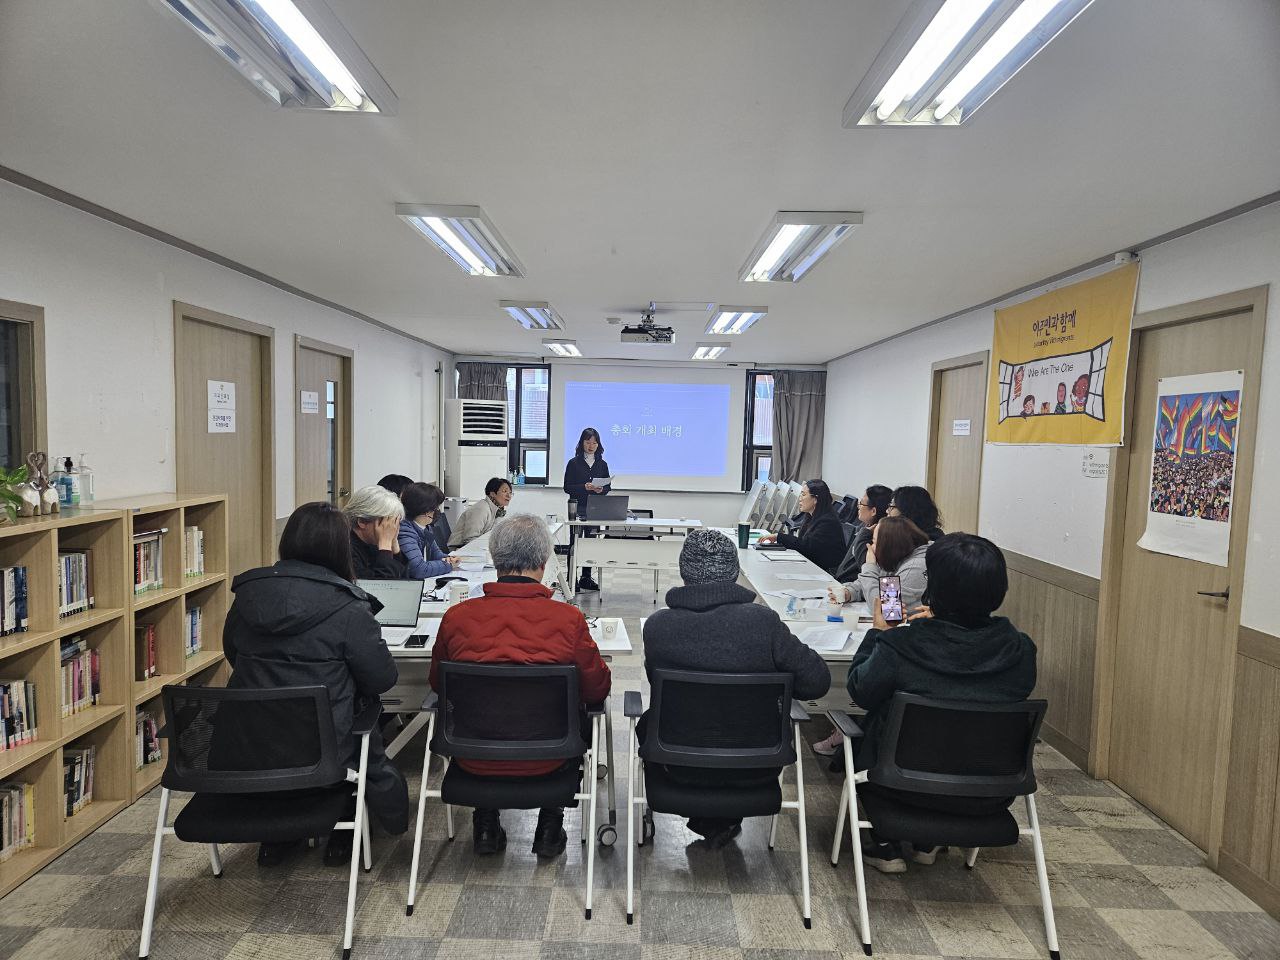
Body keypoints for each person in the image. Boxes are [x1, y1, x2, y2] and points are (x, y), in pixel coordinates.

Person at [223, 502, 409, 867]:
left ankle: (282, 832)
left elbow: (233, 653)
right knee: (363, 716)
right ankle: (345, 825)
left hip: (250, 743)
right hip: (329, 747)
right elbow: (383, 679)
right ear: (342, 548)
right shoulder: (350, 607)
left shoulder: (247, 597)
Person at [846, 533, 1037, 874]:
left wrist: (881, 633)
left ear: (935, 589)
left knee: (870, 726)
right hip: (988, 793)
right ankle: (927, 842)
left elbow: (860, 690)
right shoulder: (1020, 651)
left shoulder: (902, 645)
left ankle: (887, 843)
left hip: (898, 788)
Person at [430, 514, 611, 857]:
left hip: (472, 757)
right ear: (544, 564)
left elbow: (437, 683)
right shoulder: (568, 619)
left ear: (495, 560)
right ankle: (549, 827)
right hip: (551, 757)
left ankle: (484, 823)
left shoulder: (457, 617)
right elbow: (596, 689)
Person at [641, 529, 830, 847]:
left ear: (684, 571)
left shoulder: (659, 627)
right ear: (734, 573)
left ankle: (713, 818)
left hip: (677, 765)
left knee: (656, 718)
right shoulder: (763, 623)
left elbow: (654, 684)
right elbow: (816, 682)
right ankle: (719, 819)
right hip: (756, 767)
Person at [813, 516, 930, 758]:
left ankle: (848, 729)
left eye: (875, 541)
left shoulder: (917, 566)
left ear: (890, 543)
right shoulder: (899, 556)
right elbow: (869, 585)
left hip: (903, 643)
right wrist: (847, 592)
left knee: (863, 675)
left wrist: (868, 566)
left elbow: (886, 606)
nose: (871, 546)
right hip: (900, 638)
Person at [757, 479, 846, 574]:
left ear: (815, 499)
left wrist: (779, 537)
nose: (800, 498)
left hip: (823, 572)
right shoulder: (811, 515)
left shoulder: (827, 521)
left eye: (803, 494)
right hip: (811, 565)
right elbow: (804, 544)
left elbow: (806, 547)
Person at [562, 427, 612, 592]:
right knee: (574, 544)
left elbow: (608, 486)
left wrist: (601, 490)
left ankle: (586, 578)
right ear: (582, 443)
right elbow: (567, 487)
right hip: (577, 508)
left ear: (598, 445)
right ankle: (572, 579)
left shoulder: (602, 464)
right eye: (588, 442)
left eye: (594, 442)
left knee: (591, 544)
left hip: (595, 509)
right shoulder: (573, 463)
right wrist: (584, 487)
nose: (591, 446)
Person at [832, 485, 893, 584]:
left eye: (892, 508)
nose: (888, 512)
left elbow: (868, 578)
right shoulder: (865, 526)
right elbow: (865, 584)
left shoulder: (908, 565)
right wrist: (850, 592)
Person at [398, 482, 460, 579]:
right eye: (436, 508)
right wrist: (448, 565)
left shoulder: (425, 527)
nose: (437, 511)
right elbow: (419, 570)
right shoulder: (405, 532)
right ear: (426, 510)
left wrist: (449, 558)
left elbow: (436, 554)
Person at [344, 485, 406, 579]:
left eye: (394, 522)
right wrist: (385, 545)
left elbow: (406, 582)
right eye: (385, 522)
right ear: (362, 521)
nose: (391, 527)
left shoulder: (372, 543)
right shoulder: (346, 548)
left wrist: (394, 545)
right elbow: (381, 588)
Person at [448, 476, 513, 548]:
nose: (509, 495)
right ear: (492, 493)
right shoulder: (481, 509)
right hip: (458, 549)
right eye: (505, 491)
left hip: (475, 548)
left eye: (510, 492)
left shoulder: (497, 509)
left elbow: (494, 535)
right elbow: (469, 538)